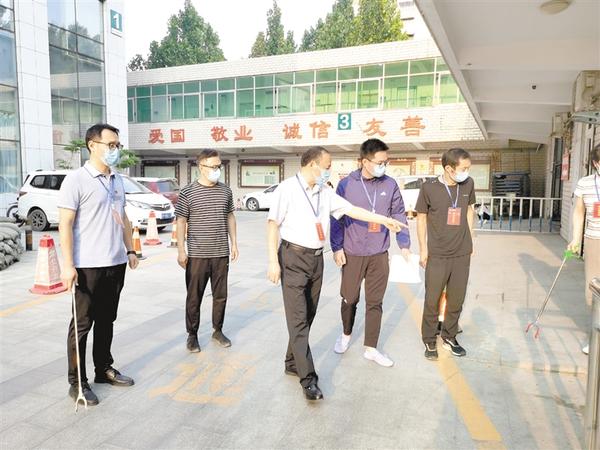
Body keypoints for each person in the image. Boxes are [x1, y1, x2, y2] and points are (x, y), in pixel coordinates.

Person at [267, 146, 406, 401]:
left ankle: (292, 361)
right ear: (312, 165)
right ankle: (308, 379)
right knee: (298, 319)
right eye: (327, 166)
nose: (329, 171)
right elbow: (272, 225)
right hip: (292, 258)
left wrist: (384, 220)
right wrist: (272, 262)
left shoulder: (325, 192)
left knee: (307, 315)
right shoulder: (286, 189)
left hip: (316, 260)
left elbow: (352, 210)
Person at [59, 123, 138, 406]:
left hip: (115, 262)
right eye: (110, 145)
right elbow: (65, 224)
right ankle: (77, 382)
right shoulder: (76, 180)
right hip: (86, 266)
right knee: (82, 325)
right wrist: (68, 265)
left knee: (107, 320)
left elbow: (123, 216)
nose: (115, 150)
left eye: (118, 145)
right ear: (92, 145)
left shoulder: (117, 179)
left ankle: (103, 369)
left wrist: (130, 249)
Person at [330, 138, 411, 367]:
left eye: (386, 162)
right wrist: (337, 247)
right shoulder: (346, 184)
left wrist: (404, 244)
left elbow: (398, 214)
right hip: (352, 252)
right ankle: (346, 334)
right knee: (349, 298)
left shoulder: (390, 184)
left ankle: (371, 348)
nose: (384, 166)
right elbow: (336, 217)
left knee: (375, 301)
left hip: (379, 252)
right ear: (365, 161)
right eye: (380, 162)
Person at [175, 149, 238, 353]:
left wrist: (234, 243)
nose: (217, 170)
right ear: (201, 167)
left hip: (220, 252)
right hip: (197, 255)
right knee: (194, 297)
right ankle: (192, 335)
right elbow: (181, 221)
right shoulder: (188, 192)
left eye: (219, 166)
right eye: (213, 166)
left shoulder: (225, 191)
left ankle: (217, 330)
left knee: (221, 295)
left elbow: (230, 216)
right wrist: (181, 251)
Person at [416, 148, 476, 361]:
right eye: (463, 168)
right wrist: (423, 249)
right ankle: (429, 340)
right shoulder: (429, 188)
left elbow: (469, 210)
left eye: (468, 168)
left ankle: (449, 336)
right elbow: (421, 218)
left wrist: (471, 239)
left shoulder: (468, 184)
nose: (466, 172)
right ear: (449, 169)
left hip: (462, 253)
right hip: (438, 254)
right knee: (432, 299)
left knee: (456, 299)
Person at [568, 143, 600, 355]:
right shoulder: (585, 183)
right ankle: (596, 339)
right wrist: (575, 239)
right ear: (596, 163)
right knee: (593, 290)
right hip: (594, 241)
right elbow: (579, 212)